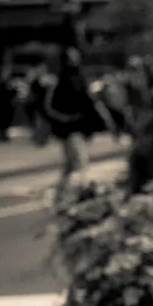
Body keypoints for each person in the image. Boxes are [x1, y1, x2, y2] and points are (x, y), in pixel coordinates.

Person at [42, 47, 115, 203]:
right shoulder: (60, 81)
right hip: (69, 129)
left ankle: (61, 196)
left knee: (71, 164)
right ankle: (74, 197)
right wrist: (65, 119)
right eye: (71, 57)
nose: (75, 60)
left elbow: (90, 102)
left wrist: (100, 120)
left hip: (80, 127)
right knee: (80, 161)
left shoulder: (80, 79)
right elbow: (49, 107)